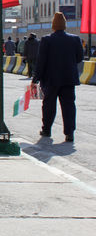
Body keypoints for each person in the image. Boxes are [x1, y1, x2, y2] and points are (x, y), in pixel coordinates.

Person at [33, 12, 83, 142]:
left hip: (51, 79)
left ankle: (47, 130)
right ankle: (69, 133)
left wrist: (36, 78)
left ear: (53, 26)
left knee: (49, 105)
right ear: (65, 25)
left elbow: (41, 61)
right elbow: (79, 58)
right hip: (69, 78)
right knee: (69, 106)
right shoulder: (75, 39)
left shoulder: (47, 40)